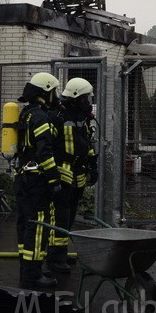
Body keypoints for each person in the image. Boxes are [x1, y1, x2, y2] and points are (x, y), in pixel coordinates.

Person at [14, 72, 62, 290]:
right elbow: (44, 152)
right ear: (45, 92)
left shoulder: (27, 113)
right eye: (53, 91)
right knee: (38, 226)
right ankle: (33, 277)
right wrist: (54, 179)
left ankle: (27, 270)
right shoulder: (41, 117)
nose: (56, 95)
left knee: (25, 224)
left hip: (23, 177)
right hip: (36, 181)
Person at [47, 77, 98, 274]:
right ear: (77, 97)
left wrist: (93, 166)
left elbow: (87, 143)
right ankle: (54, 258)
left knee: (70, 215)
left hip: (78, 172)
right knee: (60, 216)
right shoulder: (58, 116)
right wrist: (51, 176)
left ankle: (62, 252)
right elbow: (46, 147)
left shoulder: (82, 117)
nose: (89, 100)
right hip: (62, 173)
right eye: (87, 97)